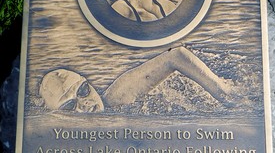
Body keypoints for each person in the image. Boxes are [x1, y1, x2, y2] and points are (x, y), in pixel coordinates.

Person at [40, 47, 234, 113]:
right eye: (69, 106)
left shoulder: (118, 97)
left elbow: (175, 56)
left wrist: (222, 92)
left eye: (83, 90)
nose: (85, 104)